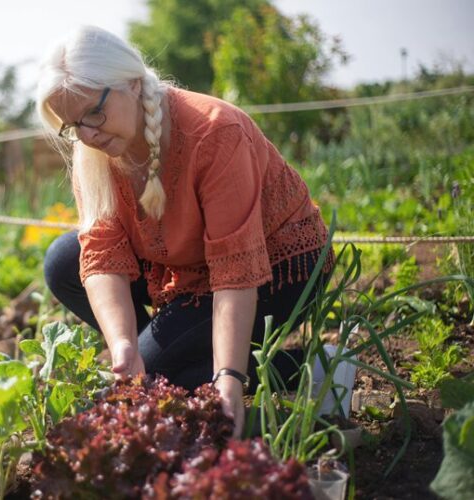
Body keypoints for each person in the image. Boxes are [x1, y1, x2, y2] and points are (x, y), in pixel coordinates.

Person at [36, 25, 334, 438]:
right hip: (189, 266)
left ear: (134, 85)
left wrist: (229, 377)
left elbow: (235, 270)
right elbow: (102, 252)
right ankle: (165, 359)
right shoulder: (96, 151)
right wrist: (124, 346)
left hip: (278, 265)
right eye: (72, 126)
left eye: (93, 113)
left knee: (158, 373)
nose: (87, 135)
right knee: (64, 261)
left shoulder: (215, 132)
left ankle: (318, 368)